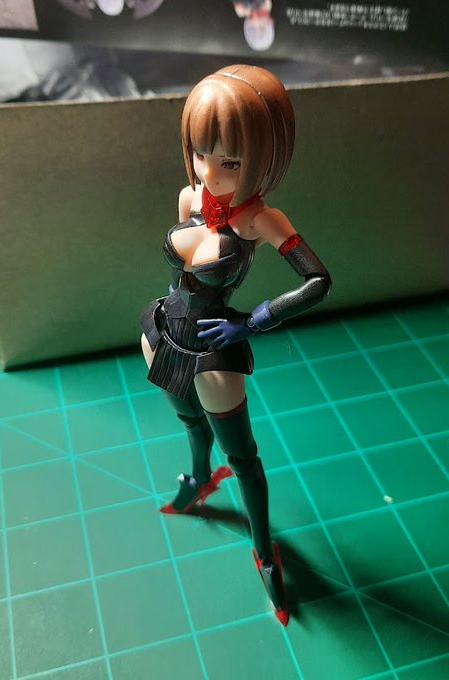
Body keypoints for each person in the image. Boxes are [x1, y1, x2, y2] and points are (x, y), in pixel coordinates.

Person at [140, 64, 331, 625]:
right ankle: (199, 479)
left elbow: (317, 281)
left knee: (244, 460)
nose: (210, 171)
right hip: (161, 332)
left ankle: (264, 551)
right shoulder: (190, 197)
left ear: (263, 158)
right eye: (201, 153)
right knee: (189, 424)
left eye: (229, 161)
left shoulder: (259, 220)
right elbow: (181, 266)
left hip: (213, 350)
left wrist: (251, 322)